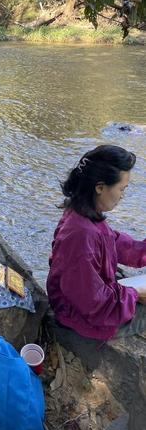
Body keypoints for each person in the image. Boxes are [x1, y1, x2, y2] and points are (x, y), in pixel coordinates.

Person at [47, 145, 146, 341]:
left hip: (85, 300)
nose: (122, 196)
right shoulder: (81, 234)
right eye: (121, 189)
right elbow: (93, 303)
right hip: (79, 317)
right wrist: (135, 294)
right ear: (100, 187)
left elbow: (117, 243)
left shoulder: (84, 213)